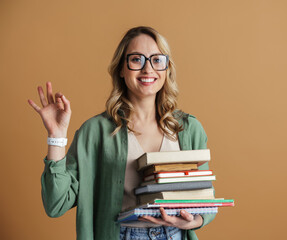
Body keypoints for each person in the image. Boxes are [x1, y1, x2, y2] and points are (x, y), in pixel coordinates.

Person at [28, 26, 215, 240]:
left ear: (166, 68)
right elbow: (55, 204)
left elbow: (205, 201)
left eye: (156, 60)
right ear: (121, 69)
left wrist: (193, 221)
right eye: (137, 59)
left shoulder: (189, 129)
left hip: (174, 235)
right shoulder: (95, 132)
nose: (148, 69)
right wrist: (56, 137)